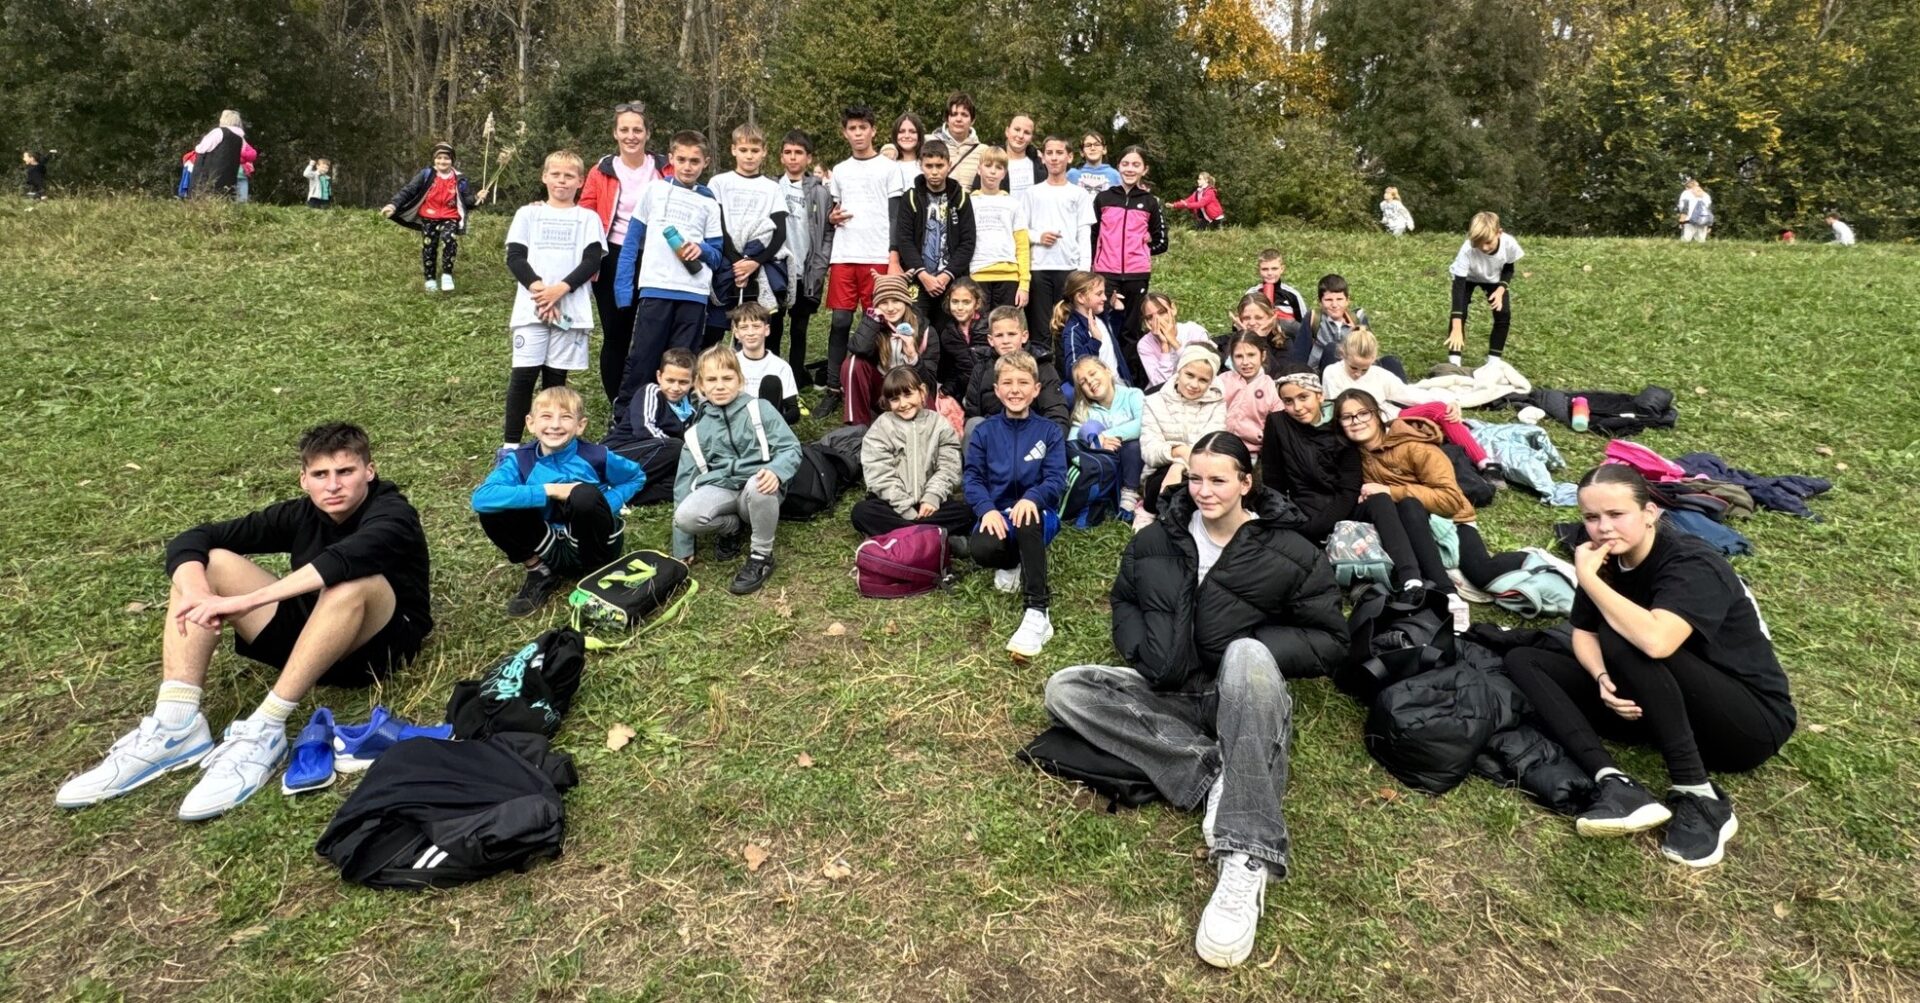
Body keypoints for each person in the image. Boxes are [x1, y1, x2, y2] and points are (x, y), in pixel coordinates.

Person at [1043, 432, 1346, 969]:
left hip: (1242, 690)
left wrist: (1245, 647)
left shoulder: (1290, 550)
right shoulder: (1157, 538)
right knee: (1066, 688)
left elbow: (1329, 640)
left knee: (1248, 655)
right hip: (1171, 688)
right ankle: (1211, 770)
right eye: (1196, 479)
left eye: (1218, 480)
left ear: (1246, 483)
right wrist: (1143, 651)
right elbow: (1125, 600)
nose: (1204, 491)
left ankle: (1246, 855)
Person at [55, 424, 432, 819]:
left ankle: (266, 728)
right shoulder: (301, 513)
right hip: (312, 640)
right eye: (321, 474)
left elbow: (344, 560)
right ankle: (176, 725)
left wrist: (248, 601)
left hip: (377, 649)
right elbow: (193, 538)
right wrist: (199, 594)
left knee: (352, 582)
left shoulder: (393, 513)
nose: (333, 485)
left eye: (346, 472)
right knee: (210, 562)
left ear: (369, 471)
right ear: (304, 480)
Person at [1504, 464, 1796, 868]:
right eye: (1591, 517)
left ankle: (1699, 795)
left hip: (1748, 724)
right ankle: (1614, 782)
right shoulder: (1606, 558)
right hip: (1660, 705)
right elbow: (1583, 632)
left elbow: (1656, 642)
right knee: (1524, 659)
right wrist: (1601, 679)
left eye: (1616, 514)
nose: (1603, 528)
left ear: (1649, 514)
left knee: (1624, 635)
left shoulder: (1692, 562)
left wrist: (1589, 579)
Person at [1333, 389, 1532, 628]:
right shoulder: (1354, 456)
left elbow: (1450, 500)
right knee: (1406, 512)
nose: (1356, 421)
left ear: (1377, 414)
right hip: (1402, 528)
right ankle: (1435, 590)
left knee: (1482, 573)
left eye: (1363, 413)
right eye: (1347, 417)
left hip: (1449, 519)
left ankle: (1534, 559)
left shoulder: (1415, 447)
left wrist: (1390, 491)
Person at [472, 387, 644, 615]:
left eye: (565, 417)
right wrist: (549, 490)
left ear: (580, 425)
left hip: (593, 545)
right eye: (546, 416)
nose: (555, 425)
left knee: (583, 495)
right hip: (548, 543)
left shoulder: (596, 455)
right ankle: (539, 571)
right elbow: (481, 498)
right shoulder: (520, 460)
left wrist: (603, 503)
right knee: (494, 508)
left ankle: (598, 572)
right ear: (530, 423)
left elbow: (636, 477)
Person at [672, 346, 802, 595]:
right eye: (712, 380)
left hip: (759, 489)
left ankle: (761, 556)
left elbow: (791, 448)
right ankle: (730, 528)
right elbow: (683, 483)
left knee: (759, 483)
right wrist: (683, 546)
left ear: (740, 380)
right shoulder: (697, 430)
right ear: (700, 385)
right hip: (723, 488)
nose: (720, 386)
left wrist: (776, 470)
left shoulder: (760, 408)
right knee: (685, 516)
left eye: (727, 378)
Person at [611, 130, 725, 416]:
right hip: (656, 289)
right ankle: (626, 418)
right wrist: (623, 290)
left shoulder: (710, 202)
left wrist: (701, 249)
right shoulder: (654, 190)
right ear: (671, 158)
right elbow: (630, 242)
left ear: (706, 162)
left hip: (694, 295)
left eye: (695, 161)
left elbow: (717, 256)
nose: (687, 166)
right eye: (682, 159)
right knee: (643, 358)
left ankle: (673, 420)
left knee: (682, 364)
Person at [499, 150, 605, 454]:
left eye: (569, 176)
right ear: (544, 176)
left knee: (556, 380)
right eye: (555, 174)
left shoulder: (588, 218)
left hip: (569, 311)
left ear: (581, 181)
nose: (562, 181)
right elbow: (515, 257)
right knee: (523, 376)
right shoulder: (528, 214)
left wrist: (559, 290)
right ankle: (510, 447)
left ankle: (549, 446)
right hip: (531, 310)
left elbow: (592, 260)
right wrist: (540, 291)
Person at [964, 350, 1067, 660]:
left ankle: (1038, 611)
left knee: (1027, 516)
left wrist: (1032, 498)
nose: (1015, 390)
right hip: (1000, 514)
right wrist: (987, 509)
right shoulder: (984, 431)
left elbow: (1055, 479)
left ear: (1036, 389)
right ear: (997, 390)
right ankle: (1013, 563)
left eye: (1023, 382)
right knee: (981, 548)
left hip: (1039, 515)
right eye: (1007, 383)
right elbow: (972, 477)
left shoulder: (1049, 431)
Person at [578, 101, 668, 406]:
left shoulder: (664, 168)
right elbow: (585, 212)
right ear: (615, 134)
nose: (631, 136)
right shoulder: (601, 170)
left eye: (637, 130)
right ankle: (618, 402)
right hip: (614, 256)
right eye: (625, 130)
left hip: (658, 256)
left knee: (654, 331)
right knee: (617, 332)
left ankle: (652, 397)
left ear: (647, 134)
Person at [822, 106, 908, 413]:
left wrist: (894, 255)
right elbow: (834, 210)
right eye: (852, 128)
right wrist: (831, 217)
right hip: (845, 254)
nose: (858, 133)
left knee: (879, 322)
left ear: (873, 130)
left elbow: (896, 215)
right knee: (840, 321)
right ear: (844, 133)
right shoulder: (840, 170)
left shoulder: (889, 168)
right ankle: (833, 387)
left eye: (863, 128)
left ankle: (880, 385)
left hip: (877, 256)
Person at [1321, 328, 1498, 475]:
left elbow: (1408, 393)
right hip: (1364, 426)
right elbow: (1338, 409)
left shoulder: (1379, 375)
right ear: (1343, 355)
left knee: (1440, 409)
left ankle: (1484, 462)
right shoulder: (1332, 373)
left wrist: (1450, 402)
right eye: (1353, 367)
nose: (1358, 373)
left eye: (1364, 369)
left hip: (1390, 417)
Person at [852, 367, 973, 540]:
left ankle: (902, 536)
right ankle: (929, 535)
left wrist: (932, 497)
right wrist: (904, 508)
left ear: (922, 391)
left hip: (931, 505)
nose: (903, 404)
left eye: (908, 395)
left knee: (966, 512)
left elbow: (949, 466)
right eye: (895, 399)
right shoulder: (881, 428)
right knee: (861, 512)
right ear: (887, 402)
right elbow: (879, 473)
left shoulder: (939, 424)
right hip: (893, 505)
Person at [707, 124, 789, 347]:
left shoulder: (772, 188)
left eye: (755, 150)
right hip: (726, 263)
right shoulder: (719, 183)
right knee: (713, 332)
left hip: (759, 265)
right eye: (743, 150)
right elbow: (716, 226)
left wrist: (755, 262)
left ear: (764, 152)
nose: (749, 156)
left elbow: (779, 232)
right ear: (733, 149)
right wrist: (737, 262)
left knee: (754, 330)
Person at [1090, 146, 1167, 380]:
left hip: (1136, 275)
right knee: (1103, 326)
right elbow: (1092, 236)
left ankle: (1130, 380)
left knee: (1130, 330)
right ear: (1118, 167)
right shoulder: (1103, 198)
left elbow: (1162, 241)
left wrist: (1141, 251)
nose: (1130, 169)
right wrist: (1093, 265)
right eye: (1125, 164)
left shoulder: (1150, 202)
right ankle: (1104, 377)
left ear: (1145, 169)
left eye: (1136, 165)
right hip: (1106, 274)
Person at [1138, 344, 1226, 523]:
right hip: (1161, 470)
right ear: (1179, 371)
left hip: (1202, 468)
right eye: (1189, 375)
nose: (1194, 385)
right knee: (1162, 482)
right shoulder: (1153, 402)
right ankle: (1148, 511)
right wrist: (1177, 451)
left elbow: (1211, 445)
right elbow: (1150, 451)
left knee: (1201, 484)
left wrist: (1179, 465)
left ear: (1211, 382)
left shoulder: (1217, 403)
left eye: (1203, 380)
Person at [892, 139, 975, 326]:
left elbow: (968, 242)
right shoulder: (910, 197)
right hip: (919, 279)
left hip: (951, 280)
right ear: (920, 165)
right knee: (915, 329)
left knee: (948, 332)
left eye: (940, 165)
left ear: (949, 165)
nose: (935, 172)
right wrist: (923, 274)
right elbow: (904, 240)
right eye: (929, 166)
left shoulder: (961, 198)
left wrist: (946, 275)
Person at [381, 142, 480, 293]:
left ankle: (447, 275)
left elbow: (467, 202)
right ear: (434, 159)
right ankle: (430, 279)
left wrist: (477, 198)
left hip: (450, 216)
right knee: (429, 247)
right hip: (429, 216)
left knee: (449, 239)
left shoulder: (460, 179)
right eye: (439, 158)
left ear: (452, 160)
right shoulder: (426, 174)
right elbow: (409, 190)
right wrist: (393, 205)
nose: (442, 161)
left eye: (446, 158)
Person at [1023, 135, 1096, 343]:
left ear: (1069, 157)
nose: (1054, 158)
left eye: (1059, 153)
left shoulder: (1079, 194)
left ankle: (1068, 362)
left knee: (1066, 325)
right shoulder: (1032, 193)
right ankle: (1042, 363)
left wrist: (1083, 272)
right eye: (1049, 153)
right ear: (1043, 158)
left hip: (1069, 268)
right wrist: (1038, 237)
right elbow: (1020, 230)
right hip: (1038, 268)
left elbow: (1084, 234)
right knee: (1040, 329)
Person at [774, 130, 832, 387]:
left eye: (798, 153)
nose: (793, 157)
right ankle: (773, 375)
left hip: (806, 270)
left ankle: (796, 377)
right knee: (773, 326)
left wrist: (820, 264)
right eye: (788, 152)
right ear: (781, 157)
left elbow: (827, 231)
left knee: (799, 328)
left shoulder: (820, 192)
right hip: (778, 269)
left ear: (808, 158)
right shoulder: (772, 187)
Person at [606, 347, 698, 506]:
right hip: (621, 452)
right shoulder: (651, 392)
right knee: (676, 447)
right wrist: (682, 451)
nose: (675, 388)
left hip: (657, 460)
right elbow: (644, 429)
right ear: (659, 376)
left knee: (685, 482)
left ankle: (626, 496)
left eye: (683, 382)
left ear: (693, 381)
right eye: (670, 380)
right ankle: (616, 483)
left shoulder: (691, 409)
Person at [845, 273, 941, 425]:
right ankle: (858, 426)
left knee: (924, 390)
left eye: (896, 300)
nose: (890, 308)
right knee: (854, 362)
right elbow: (858, 349)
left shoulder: (926, 331)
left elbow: (929, 385)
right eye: (883, 302)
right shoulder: (873, 326)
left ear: (906, 301)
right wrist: (873, 320)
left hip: (910, 392)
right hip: (882, 392)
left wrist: (913, 357)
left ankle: (928, 428)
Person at [963, 306, 1070, 431]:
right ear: (990, 340)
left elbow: (1057, 416)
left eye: (1012, 334)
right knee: (973, 423)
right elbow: (972, 415)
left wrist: (1041, 440)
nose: (1005, 341)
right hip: (993, 436)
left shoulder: (1042, 367)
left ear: (1024, 336)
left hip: (1033, 435)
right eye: (999, 335)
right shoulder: (980, 369)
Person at [1068, 356, 1146, 516]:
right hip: (1107, 467)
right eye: (1083, 382)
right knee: (1088, 430)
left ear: (1108, 371)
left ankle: (1130, 494)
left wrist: (1104, 435)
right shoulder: (1084, 409)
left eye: (1093, 373)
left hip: (1136, 464)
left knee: (1133, 446)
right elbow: (1072, 443)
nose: (1090, 381)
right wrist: (1095, 443)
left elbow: (1142, 424)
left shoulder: (1133, 395)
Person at [1446, 211, 1523, 367]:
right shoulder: (1467, 249)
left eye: (1488, 242)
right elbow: (1459, 288)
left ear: (1499, 233)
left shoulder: (1509, 244)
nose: (1483, 247)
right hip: (1467, 278)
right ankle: (1454, 362)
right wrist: (1456, 327)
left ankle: (1493, 362)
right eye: (1478, 243)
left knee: (1503, 314)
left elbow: (1509, 268)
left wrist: (1500, 290)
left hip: (1493, 279)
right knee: (1460, 313)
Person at [967, 147, 1031, 313]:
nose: (993, 171)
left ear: (1004, 173)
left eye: (999, 167)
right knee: (979, 325)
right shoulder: (969, 203)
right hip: (977, 274)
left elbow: (1022, 246)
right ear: (979, 169)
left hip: (1009, 277)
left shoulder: (1013, 204)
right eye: (988, 165)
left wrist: (1024, 284)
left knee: (1005, 324)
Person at [1302, 273, 1396, 375]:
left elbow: (1369, 350)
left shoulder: (1357, 319)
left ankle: (1401, 385)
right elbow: (1299, 354)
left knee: (1391, 361)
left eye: (1339, 299)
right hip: (1324, 373)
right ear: (1320, 302)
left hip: (1356, 369)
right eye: (1328, 300)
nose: (1334, 305)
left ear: (1347, 300)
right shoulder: (1314, 318)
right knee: (1332, 348)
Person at [1054, 270, 1132, 389]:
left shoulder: (1100, 318)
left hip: (1121, 387)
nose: (1104, 298)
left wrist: (1116, 313)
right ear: (1080, 297)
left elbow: (1111, 343)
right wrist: (1094, 342)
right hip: (1099, 394)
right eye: (1099, 294)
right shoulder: (1074, 330)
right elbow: (1073, 371)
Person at [733, 302, 801, 424]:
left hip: (768, 426)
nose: (750, 333)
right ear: (736, 333)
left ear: (767, 330)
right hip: (737, 424)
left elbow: (794, 411)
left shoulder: (781, 366)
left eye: (756, 326)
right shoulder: (729, 364)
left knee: (771, 382)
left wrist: (774, 423)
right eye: (744, 327)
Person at [1219, 332, 1282, 453]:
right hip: (1219, 445)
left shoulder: (1271, 388)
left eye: (1251, 355)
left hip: (1251, 451)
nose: (1245, 362)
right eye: (1239, 356)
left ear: (1263, 355)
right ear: (1231, 358)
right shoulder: (1222, 381)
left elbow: (1278, 425)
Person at [1136, 292, 1213, 392]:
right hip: (1163, 395)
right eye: (1150, 317)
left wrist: (1173, 341)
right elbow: (1159, 385)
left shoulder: (1194, 331)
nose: (1157, 319)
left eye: (1162, 312)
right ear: (1146, 322)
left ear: (1173, 309)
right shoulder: (1145, 344)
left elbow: (1205, 370)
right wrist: (1165, 347)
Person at [1244, 248, 1310, 352]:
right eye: (1265, 269)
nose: (1270, 273)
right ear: (1258, 270)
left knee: (1287, 323)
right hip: (1257, 344)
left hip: (1287, 344)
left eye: (1274, 268)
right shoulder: (1252, 293)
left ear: (1282, 269)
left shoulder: (1292, 295)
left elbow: (1304, 326)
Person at [934, 278, 986, 401]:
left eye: (966, 302)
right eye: (955, 302)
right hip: (967, 392)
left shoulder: (989, 326)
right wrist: (946, 390)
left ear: (977, 303)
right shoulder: (947, 334)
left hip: (993, 387)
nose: (960, 307)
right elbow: (955, 369)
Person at [1222, 294, 1293, 378]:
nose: (1252, 323)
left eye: (1258, 318)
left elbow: (1277, 376)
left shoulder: (1283, 343)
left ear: (1271, 317)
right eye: (1246, 318)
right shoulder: (1225, 342)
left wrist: (1260, 340)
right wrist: (1243, 336)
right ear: (1239, 319)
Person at [930, 92, 986, 189]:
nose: (959, 119)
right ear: (947, 119)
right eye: (954, 114)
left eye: (964, 115)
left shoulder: (984, 151)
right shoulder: (930, 142)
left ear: (972, 120)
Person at [190, 110, 246, 199]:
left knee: (203, 196)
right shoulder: (239, 137)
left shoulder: (219, 132)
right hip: (230, 175)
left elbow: (201, 149)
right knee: (224, 196)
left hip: (210, 173)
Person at [994, 113, 1044, 194]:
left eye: (1027, 132)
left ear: (1031, 138)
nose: (1021, 136)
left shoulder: (1040, 163)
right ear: (1007, 131)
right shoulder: (992, 160)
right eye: (1017, 130)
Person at [881, 112, 925, 182]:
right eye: (901, 131)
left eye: (912, 132)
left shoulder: (928, 165)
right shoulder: (887, 164)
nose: (907, 136)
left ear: (919, 135)